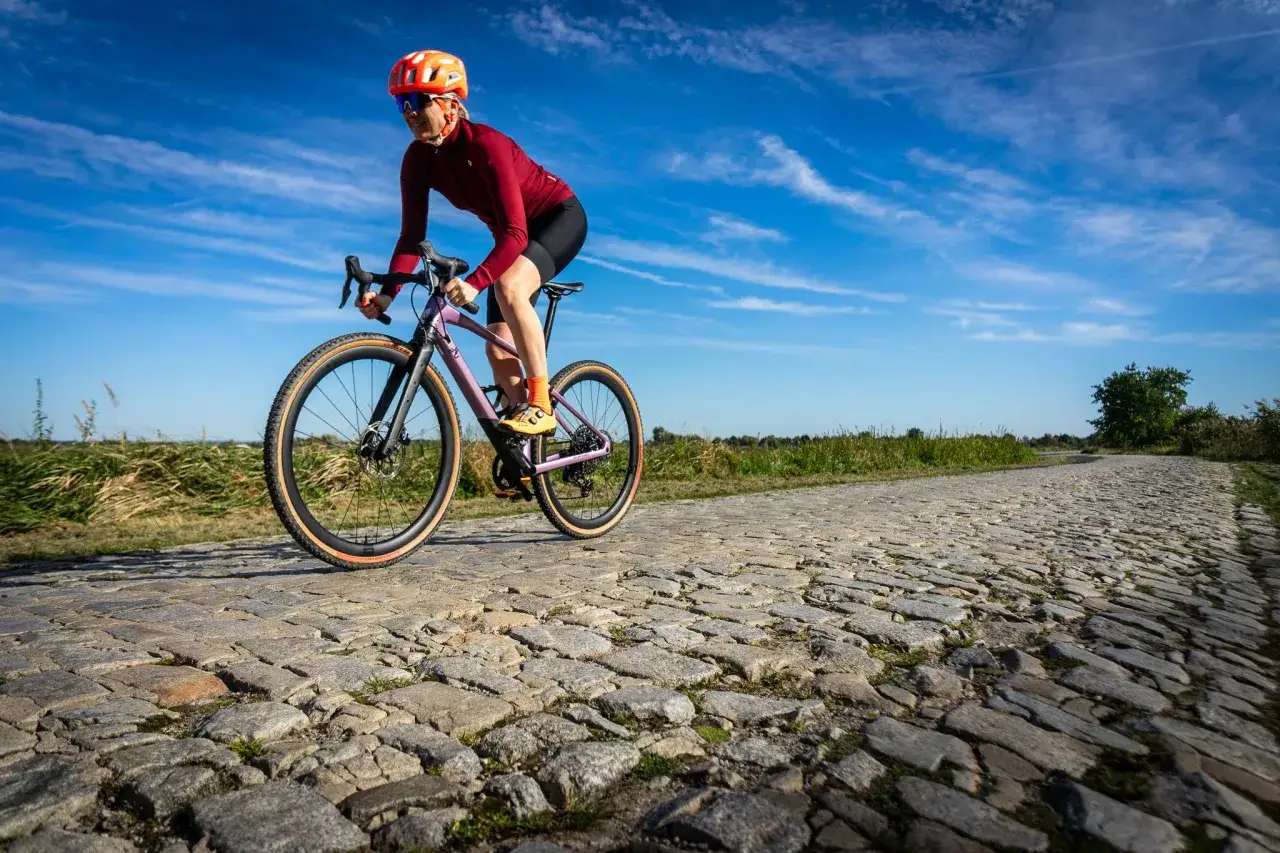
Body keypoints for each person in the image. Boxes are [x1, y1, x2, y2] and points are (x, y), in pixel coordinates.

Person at [357, 49, 587, 438]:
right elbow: (411, 236)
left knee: (509, 285)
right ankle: (524, 455)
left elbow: (516, 232)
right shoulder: (417, 159)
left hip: (557, 219)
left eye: (416, 101)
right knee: (497, 351)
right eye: (401, 103)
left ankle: (541, 406)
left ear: (450, 104)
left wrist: (475, 281)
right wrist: (387, 295)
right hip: (511, 241)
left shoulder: (487, 145)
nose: (408, 113)